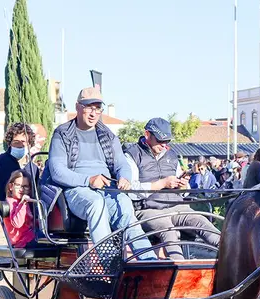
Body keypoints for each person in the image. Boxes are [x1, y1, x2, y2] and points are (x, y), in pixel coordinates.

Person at [43, 87, 155, 261]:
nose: (94, 113)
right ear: (78, 107)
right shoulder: (62, 133)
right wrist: (88, 180)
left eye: (98, 108)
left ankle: (150, 262)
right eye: (89, 107)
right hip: (76, 189)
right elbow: (57, 172)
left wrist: (125, 177)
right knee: (96, 204)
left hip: (107, 188)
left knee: (124, 205)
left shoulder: (108, 135)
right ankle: (109, 263)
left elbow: (122, 165)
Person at [124, 117, 220, 260]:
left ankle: (235, 257)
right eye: (160, 141)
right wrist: (162, 184)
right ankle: (181, 271)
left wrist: (183, 186)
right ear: (147, 134)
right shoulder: (131, 155)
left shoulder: (172, 156)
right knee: (169, 230)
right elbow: (131, 190)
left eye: (167, 141)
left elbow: (182, 189)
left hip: (177, 206)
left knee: (201, 221)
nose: (164, 145)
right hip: (148, 209)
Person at [4, 170, 36, 248]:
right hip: (21, 241)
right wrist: (22, 203)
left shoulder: (24, 201)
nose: (21, 189)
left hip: (30, 236)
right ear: (11, 187)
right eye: (18, 185)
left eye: (25, 186)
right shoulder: (11, 202)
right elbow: (17, 223)